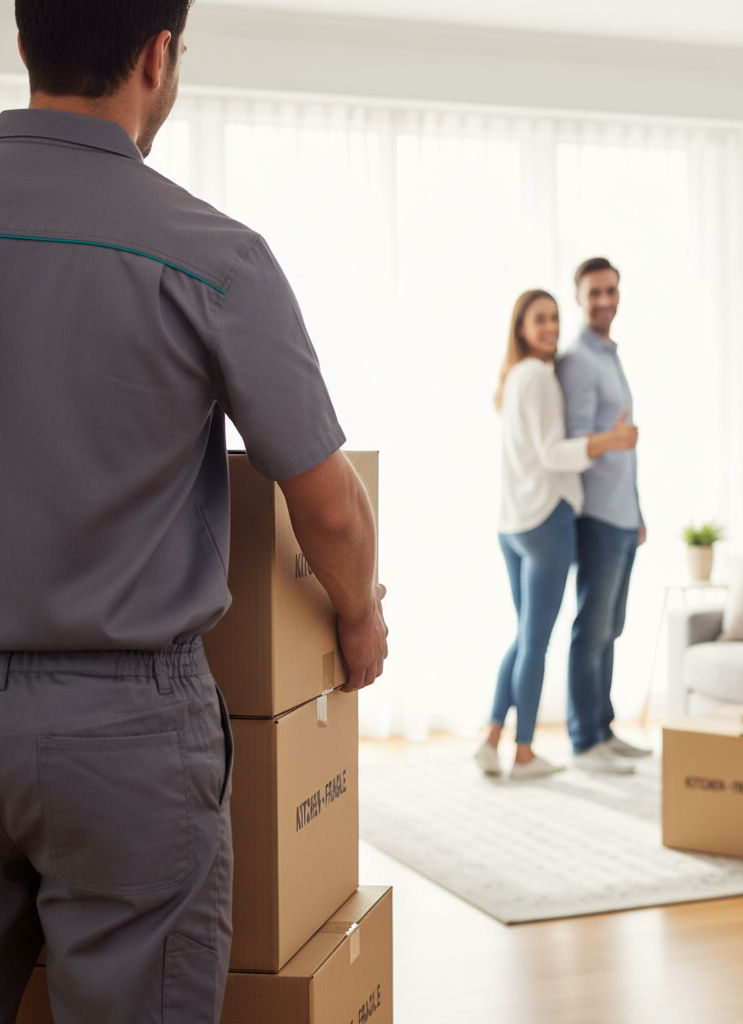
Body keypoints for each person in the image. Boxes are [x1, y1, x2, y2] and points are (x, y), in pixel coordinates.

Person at [0, 4, 387, 1022]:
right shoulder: (211, 253)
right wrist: (359, 615)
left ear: (22, 41)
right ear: (158, 54)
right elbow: (329, 508)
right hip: (125, 731)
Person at [476, 290, 637, 780]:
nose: (550, 327)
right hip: (546, 521)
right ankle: (523, 754)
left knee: (526, 637)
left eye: (554, 319)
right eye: (539, 319)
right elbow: (551, 452)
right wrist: (609, 441)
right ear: (521, 328)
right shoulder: (542, 378)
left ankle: (491, 738)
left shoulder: (514, 379)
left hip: (512, 524)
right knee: (536, 643)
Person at [556, 257, 649, 773]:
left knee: (610, 627)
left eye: (611, 290)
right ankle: (583, 740)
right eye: (594, 293)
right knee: (591, 629)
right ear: (579, 297)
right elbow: (575, 442)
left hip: (621, 514)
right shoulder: (577, 359)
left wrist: (638, 510)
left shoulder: (609, 355)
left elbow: (624, 446)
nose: (604, 300)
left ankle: (603, 729)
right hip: (594, 516)